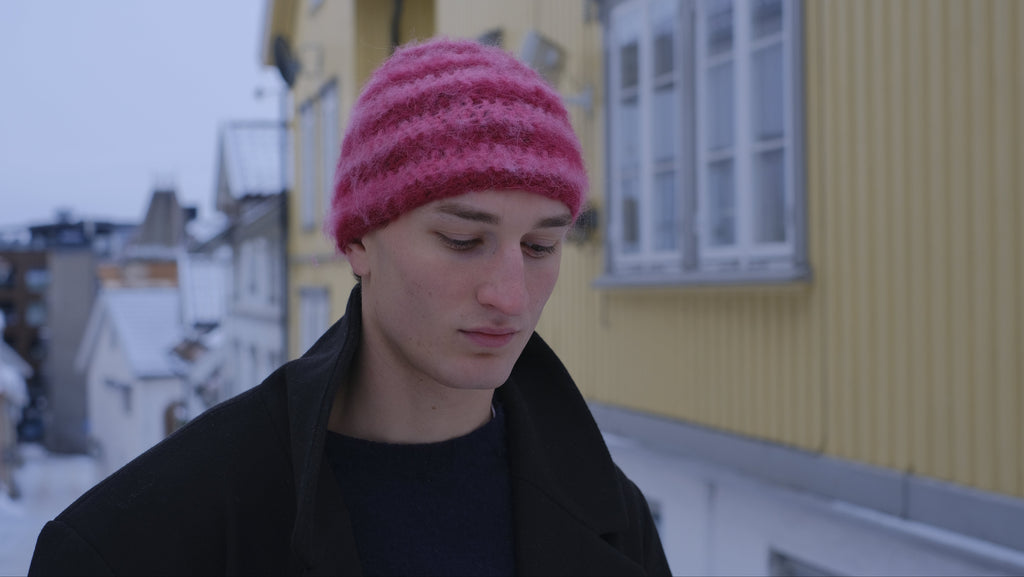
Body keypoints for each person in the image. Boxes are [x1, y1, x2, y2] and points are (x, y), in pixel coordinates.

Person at [29, 37, 671, 576]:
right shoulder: (140, 539)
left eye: (540, 245)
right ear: (359, 239)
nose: (510, 294)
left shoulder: (615, 517)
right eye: (462, 240)